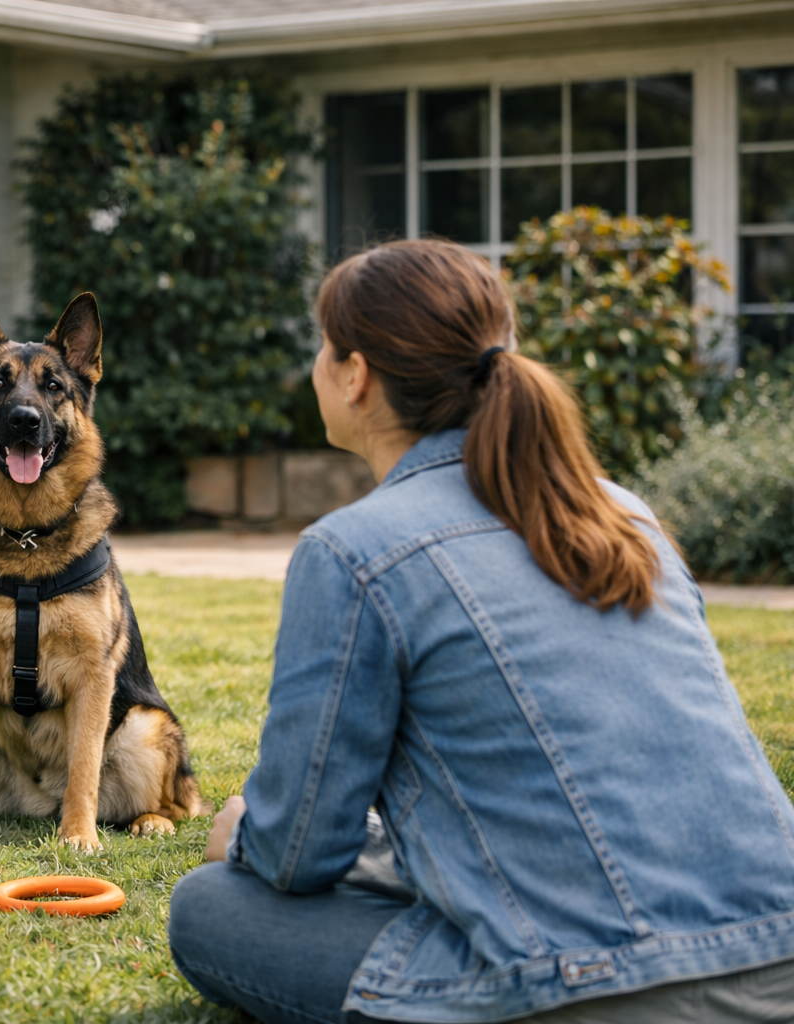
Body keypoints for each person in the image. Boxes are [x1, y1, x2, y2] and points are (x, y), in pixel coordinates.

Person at [166, 239, 794, 1023]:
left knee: (211, 904)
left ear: (355, 375)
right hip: (780, 956)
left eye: (324, 347)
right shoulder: (625, 513)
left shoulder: (353, 550)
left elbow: (299, 853)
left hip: (599, 988)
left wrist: (246, 834)